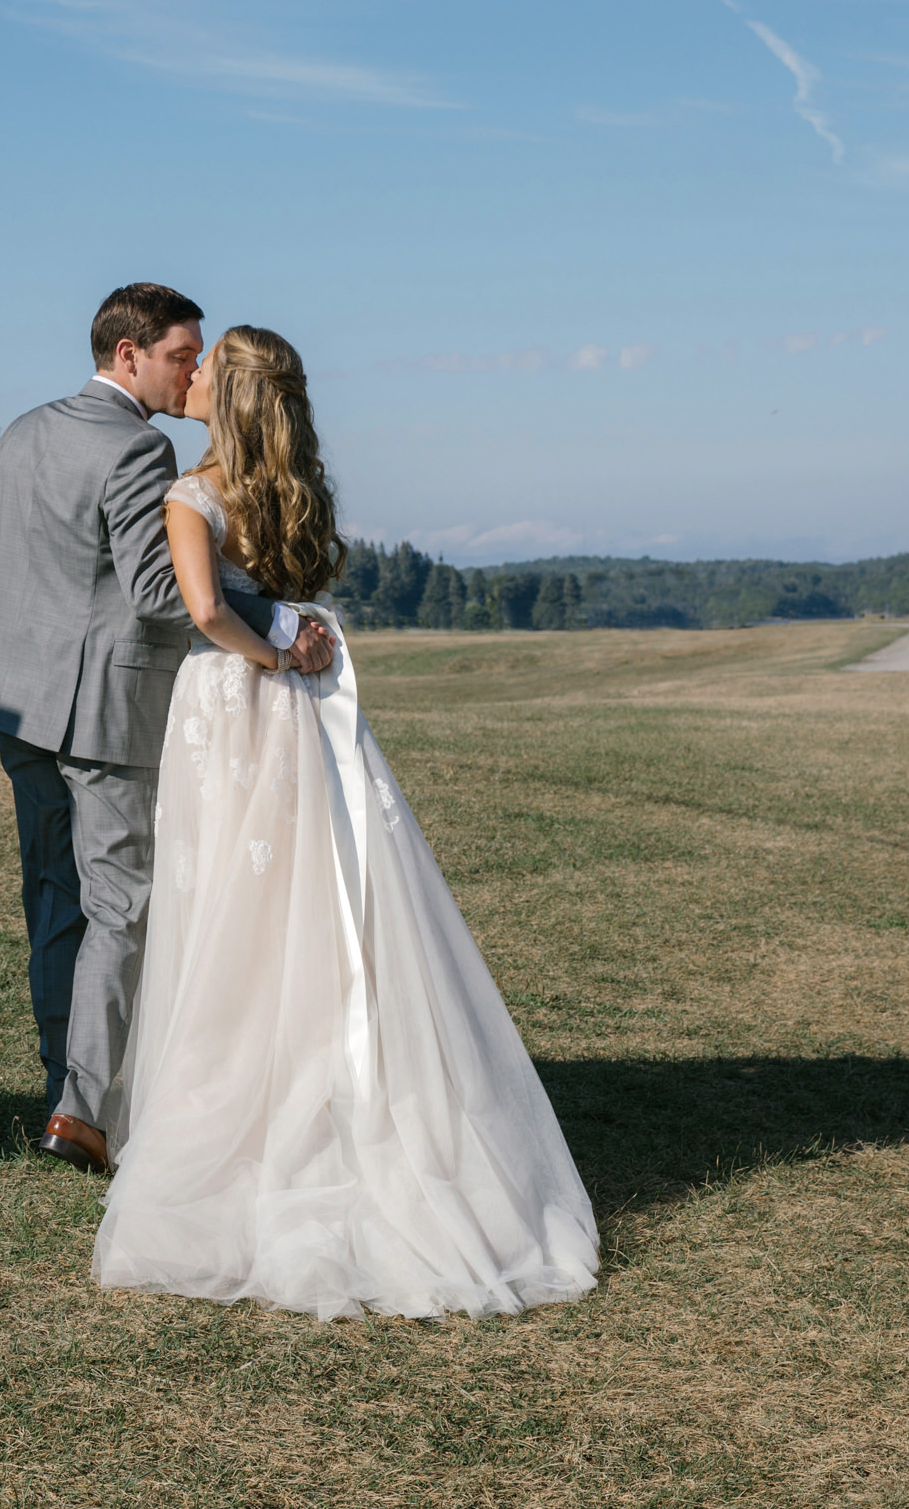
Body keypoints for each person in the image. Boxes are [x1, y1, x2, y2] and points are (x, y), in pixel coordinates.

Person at [91, 325, 600, 1320]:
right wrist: (296, 641)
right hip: (304, 724)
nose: (185, 378)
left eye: (202, 371)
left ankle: (252, 1120)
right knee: (320, 904)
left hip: (237, 713)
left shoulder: (190, 497)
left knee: (236, 920)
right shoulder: (292, 492)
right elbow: (286, 596)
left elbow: (203, 611)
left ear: (226, 397)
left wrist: (272, 655)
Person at [0, 285, 335, 1173]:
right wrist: (275, 619)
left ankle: (63, 1084)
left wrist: (18, 673)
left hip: (19, 706)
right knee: (121, 905)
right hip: (104, 710)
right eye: (181, 355)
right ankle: (84, 1112)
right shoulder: (139, 447)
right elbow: (160, 591)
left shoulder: (20, 432)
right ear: (127, 354)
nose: (191, 373)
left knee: (55, 901)